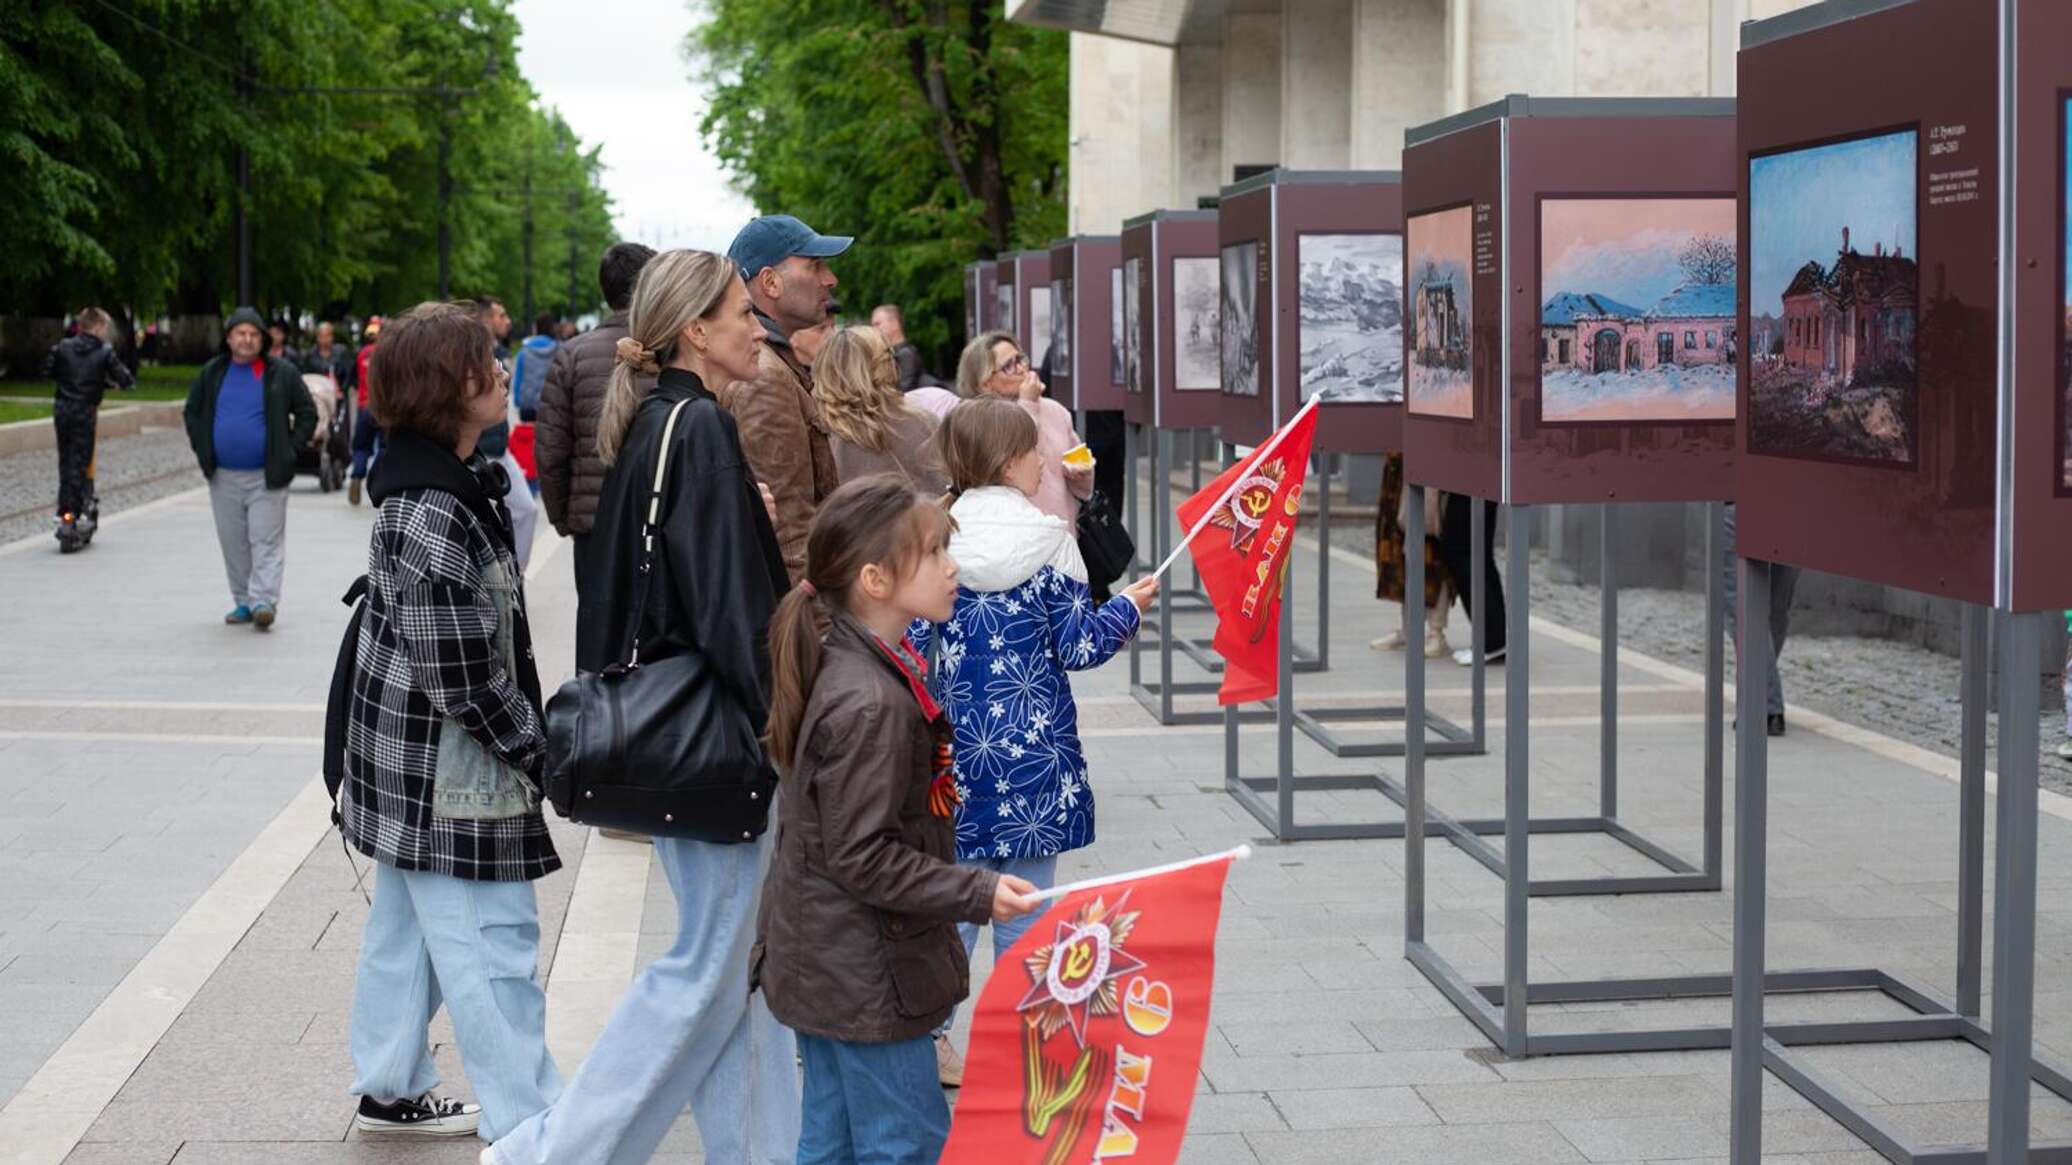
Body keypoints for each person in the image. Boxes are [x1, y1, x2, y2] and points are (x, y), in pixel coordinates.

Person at [490, 250, 799, 1165]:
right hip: (716, 737)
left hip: (679, 733)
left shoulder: (659, 421)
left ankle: (762, 1152)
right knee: (709, 969)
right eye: (744, 312)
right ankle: (550, 1148)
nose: (759, 327)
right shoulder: (695, 426)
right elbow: (727, 611)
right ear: (696, 330)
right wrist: (784, 722)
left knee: (736, 971)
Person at [756, 475, 1042, 1162]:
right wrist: (977, 891)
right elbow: (865, 855)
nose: (953, 567)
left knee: (833, 1140)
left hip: (832, 960)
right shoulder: (870, 703)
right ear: (876, 580)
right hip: (864, 970)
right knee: (906, 1145)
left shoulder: (859, 665)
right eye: (936, 553)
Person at [340, 301, 561, 1142]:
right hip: (445, 772)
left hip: (410, 759)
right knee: (490, 942)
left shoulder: (442, 480)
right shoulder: (432, 507)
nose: (503, 373)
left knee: (408, 928)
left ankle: (390, 1081)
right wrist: (541, 755)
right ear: (446, 386)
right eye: (486, 364)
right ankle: (532, 1121)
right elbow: (462, 676)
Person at [913, 397, 1157, 1086]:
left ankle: (931, 1033)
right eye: (1031, 451)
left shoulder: (932, 540)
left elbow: (906, 641)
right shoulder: (1050, 540)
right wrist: (1126, 609)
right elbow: (1078, 646)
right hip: (1036, 756)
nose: (1040, 460)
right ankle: (1024, 1041)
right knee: (1028, 903)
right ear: (1008, 462)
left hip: (953, 756)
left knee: (959, 900)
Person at [717, 214, 847, 583]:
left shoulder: (768, 365)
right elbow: (790, 539)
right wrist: (812, 629)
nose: (830, 279)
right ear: (770, 282)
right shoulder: (765, 378)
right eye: (815, 265)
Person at [537, 242, 657, 640]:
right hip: (657, 519)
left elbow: (552, 449)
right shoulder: (670, 352)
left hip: (594, 524)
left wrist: (562, 516)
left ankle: (591, 703)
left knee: (597, 634)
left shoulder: (572, 354)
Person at [183, 306, 318, 629]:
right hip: (223, 475)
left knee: (265, 540)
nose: (247, 340)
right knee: (233, 541)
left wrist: (289, 451)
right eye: (240, 334)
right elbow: (193, 412)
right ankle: (242, 601)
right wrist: (204, 450)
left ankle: (264, 601)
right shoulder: (213, 372)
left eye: (253, 334)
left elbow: (307, 413)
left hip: (267, 476)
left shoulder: (280, 373)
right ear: (229, 338)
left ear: (263, 339)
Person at [954, 330, 1092, 525]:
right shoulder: (980, 423)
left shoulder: (1055, 411)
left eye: (1020, 359)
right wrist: (1028, 404)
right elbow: (1014, 461)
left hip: (1064, 534)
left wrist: (1082, 473)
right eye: (1008, 366)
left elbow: (1083, 490)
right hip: (1018, 538)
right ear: (986, 383)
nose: (1020, 369)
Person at [815, 326, 948, 496]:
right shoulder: (922, 422)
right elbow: (945, 489)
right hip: (923, 519)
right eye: (890, 356)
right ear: (885, 366)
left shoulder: (817, 433)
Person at [44, 307, 134, 551]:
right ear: (97, 327)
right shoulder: (104, 351)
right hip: (85, 412)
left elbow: (48, 369)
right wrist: (119, 383)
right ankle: (71, 513)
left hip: (62, 410)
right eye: (105, 327)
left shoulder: (63, 347)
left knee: (66, 461)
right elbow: (124, 377)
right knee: (81, 463)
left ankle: (66, 512)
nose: (106, 332)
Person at [1720, 501, 1799, 736]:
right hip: (1797, 508)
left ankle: (1767, 708)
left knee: (1743, 609)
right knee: (1775, 609)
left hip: (1742, 504)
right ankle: (1762, 698)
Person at [473, 297, 537, 569]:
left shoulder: (495, 352)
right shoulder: (472, 355)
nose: (507, 320)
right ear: (486, 319)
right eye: (501, 315)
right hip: (479, 449)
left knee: (526, 509)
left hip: (498, 447)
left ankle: (513, 575)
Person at [1371, 453, 1453, 658]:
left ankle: (1436, 631)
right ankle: (1409, 629)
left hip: (1431, 461)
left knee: (1433, 553)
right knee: (1400, 552)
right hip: (1399, 465)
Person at [1437, 491, 1506, 667]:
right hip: (1480, 475)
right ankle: (1495, 638)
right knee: (1478, 553)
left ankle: (1492, 640)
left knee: (1459, 550)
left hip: (1472, 475)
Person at [349, 316, 385, 505]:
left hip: (365, 407)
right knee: (384, 447)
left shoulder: (362, 354)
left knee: (361, 447)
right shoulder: (388, 353)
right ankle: (376, 479)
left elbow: (353, 381)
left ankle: (357, 476)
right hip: (384, 408)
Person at [869, 303, 930, 391]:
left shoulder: (905, 354)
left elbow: (902, 393)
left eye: (877, 324)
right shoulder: (895, 353)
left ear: (895, 324)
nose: (873, 329)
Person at [511, 313, 558, 423]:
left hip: (527, 405)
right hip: (551, 404)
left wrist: (518, 401)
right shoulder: (559, 350)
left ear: (536, 327)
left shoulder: (524, 352)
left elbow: (518, 378)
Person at [301, 321, 357, 392]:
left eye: (328, 336)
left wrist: (342, 390)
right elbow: (307, 376)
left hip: (339, 395)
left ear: (332, 337)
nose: (325, 340)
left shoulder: (342, 352)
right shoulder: (310, 355)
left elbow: (349, 374)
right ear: (317, 337)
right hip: (318, 394)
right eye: (321, 336)